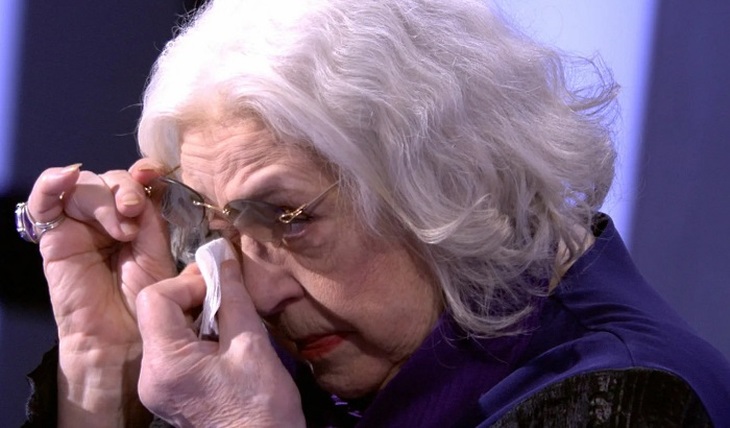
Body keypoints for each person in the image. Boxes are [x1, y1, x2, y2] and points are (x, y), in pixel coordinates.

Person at [15, 0, 730, 426]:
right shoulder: (299, 366)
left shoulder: (626, 401)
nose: (256, 291)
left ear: (447, 181)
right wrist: (103, 370)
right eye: (221, 229)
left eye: (289, 218)